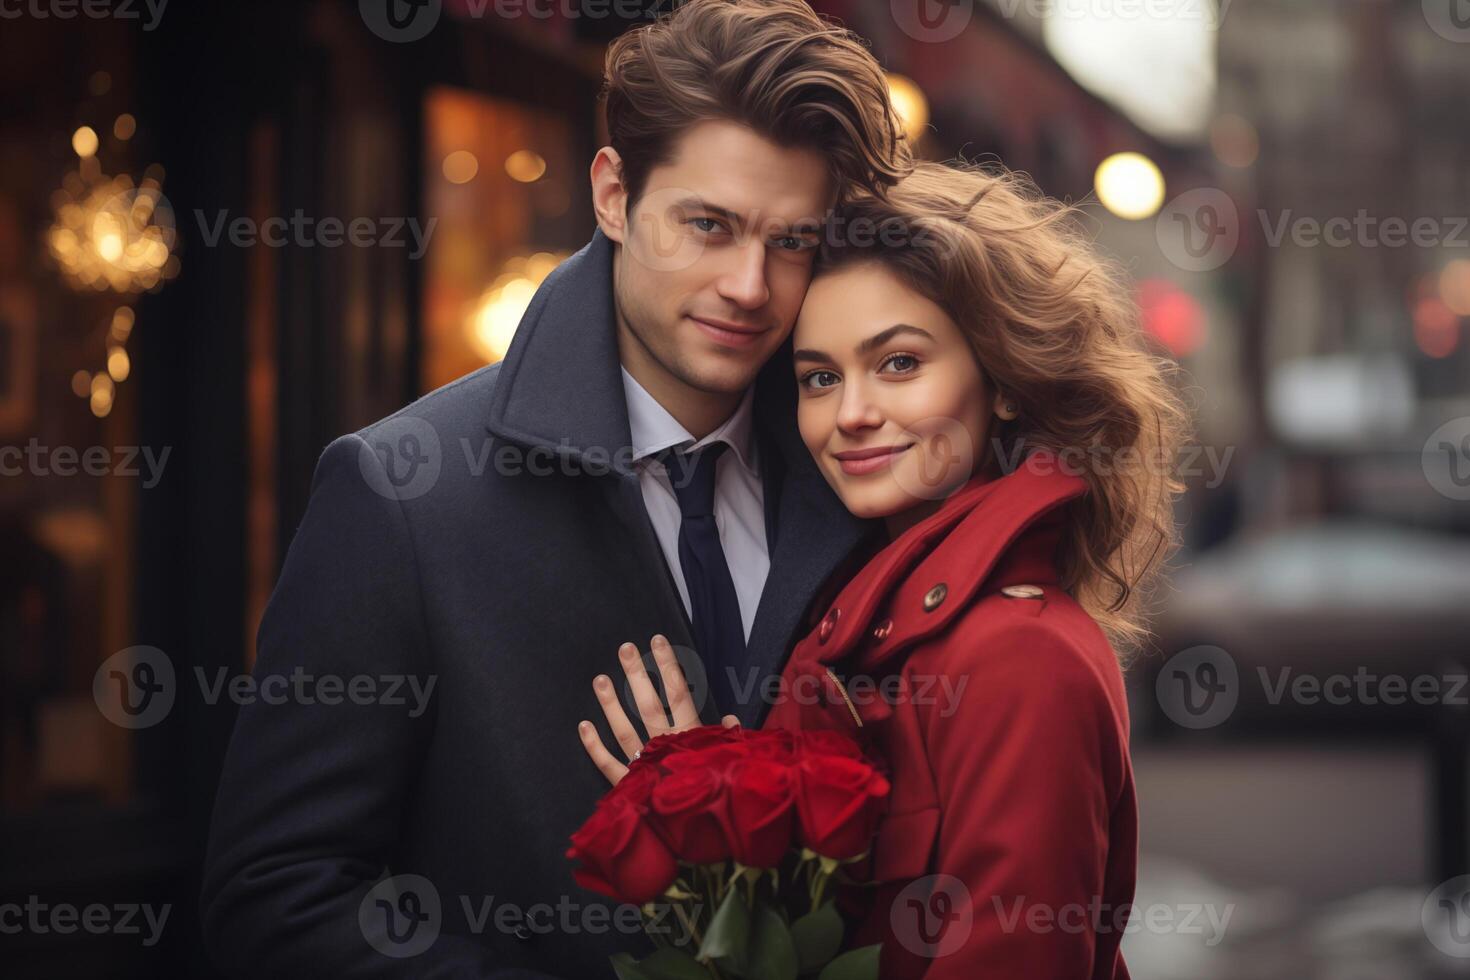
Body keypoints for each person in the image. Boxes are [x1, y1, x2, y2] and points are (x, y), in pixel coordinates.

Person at [198, 1, 910, 976]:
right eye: (708, 225)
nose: (751, 285)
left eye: (792, 242)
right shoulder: (403, 494)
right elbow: (273, 897)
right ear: (614, 195)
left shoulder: (864, 479)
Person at [579, 161, 1191, 979]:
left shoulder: (1018, 657)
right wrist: (708, 809)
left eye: (899, 363)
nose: (853, 414)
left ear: (1001, 381)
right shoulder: (857, 621)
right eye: (820, 378)